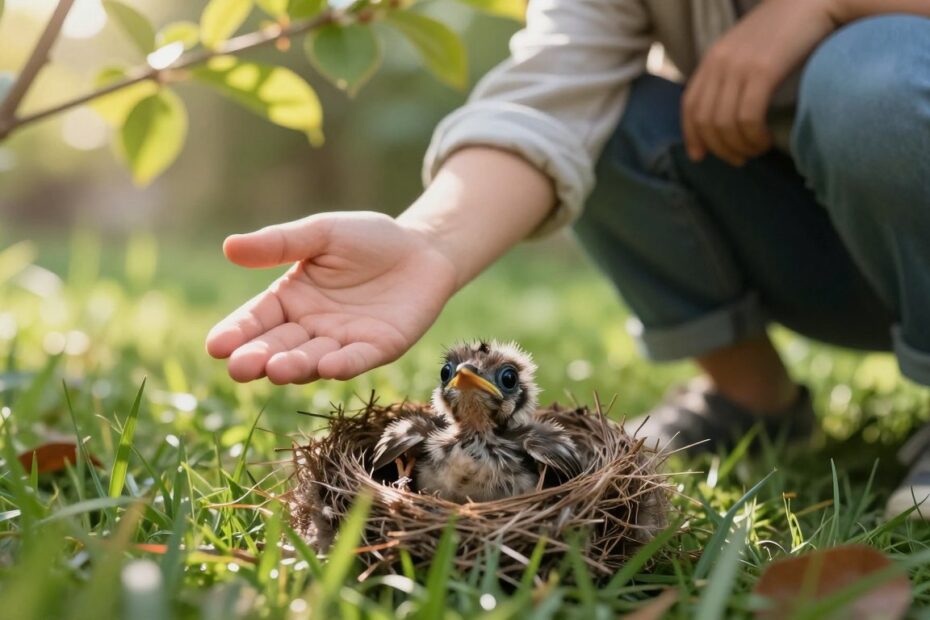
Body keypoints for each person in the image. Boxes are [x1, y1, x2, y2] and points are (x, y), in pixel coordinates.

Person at [205, 0, 930, 517]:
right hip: (833, 256)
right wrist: (430, 239)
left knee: (871, 80)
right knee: (606, 118)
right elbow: (551, 100)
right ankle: (751, 400)